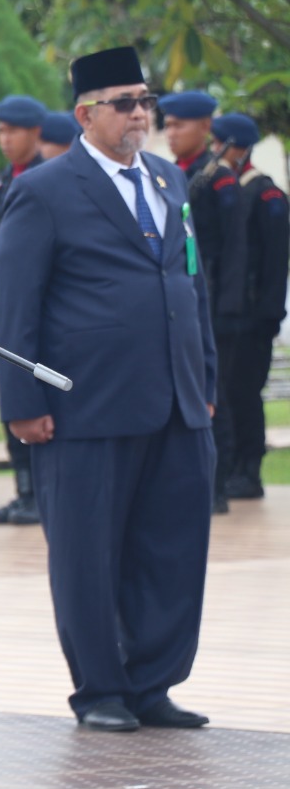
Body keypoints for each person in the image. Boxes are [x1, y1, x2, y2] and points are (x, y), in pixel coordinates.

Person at [0, 46, 216, 733]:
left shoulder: (169, 179)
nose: (140, 114)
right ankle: (101, 690)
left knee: (172, 549)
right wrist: (22, 402)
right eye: (125, 103)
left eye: (146, 101)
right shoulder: (46, 189)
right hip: (86, 405)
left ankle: (152, 682)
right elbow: (15, 305)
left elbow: (191, 281)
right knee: (88, 555)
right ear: (86, 114)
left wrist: (205, 377)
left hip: (176, 399)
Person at [159, 91, 248, 514]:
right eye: (167, 125)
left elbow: (234, 248)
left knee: (217, 394)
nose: (170, 132)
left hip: (215, 302)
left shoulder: (218, 178)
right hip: (186, 301)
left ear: (206, 127)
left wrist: (229, 307)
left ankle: (218, 483)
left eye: (179, 125)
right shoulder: (173, 175)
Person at [0, 94, 47, 526]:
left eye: (12, 131)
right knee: (10, 395)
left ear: (35, 132)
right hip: (5, 303)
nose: (4, 139)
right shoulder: (3, 179)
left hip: (33, 308)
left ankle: (40, 492)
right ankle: (23, 491)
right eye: (0, 131)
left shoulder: (44, 177)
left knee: (31, 395)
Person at [209, 113, 289, 499]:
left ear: (235, 147)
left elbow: (275, 262)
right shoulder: (225, 189)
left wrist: (270, 315)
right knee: (227, 392)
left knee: (245, 392)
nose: (213, 150)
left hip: (255, 317)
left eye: (218, 143)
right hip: (231, 314)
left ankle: (250, 470)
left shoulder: (266, 194)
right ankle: (233, 468)